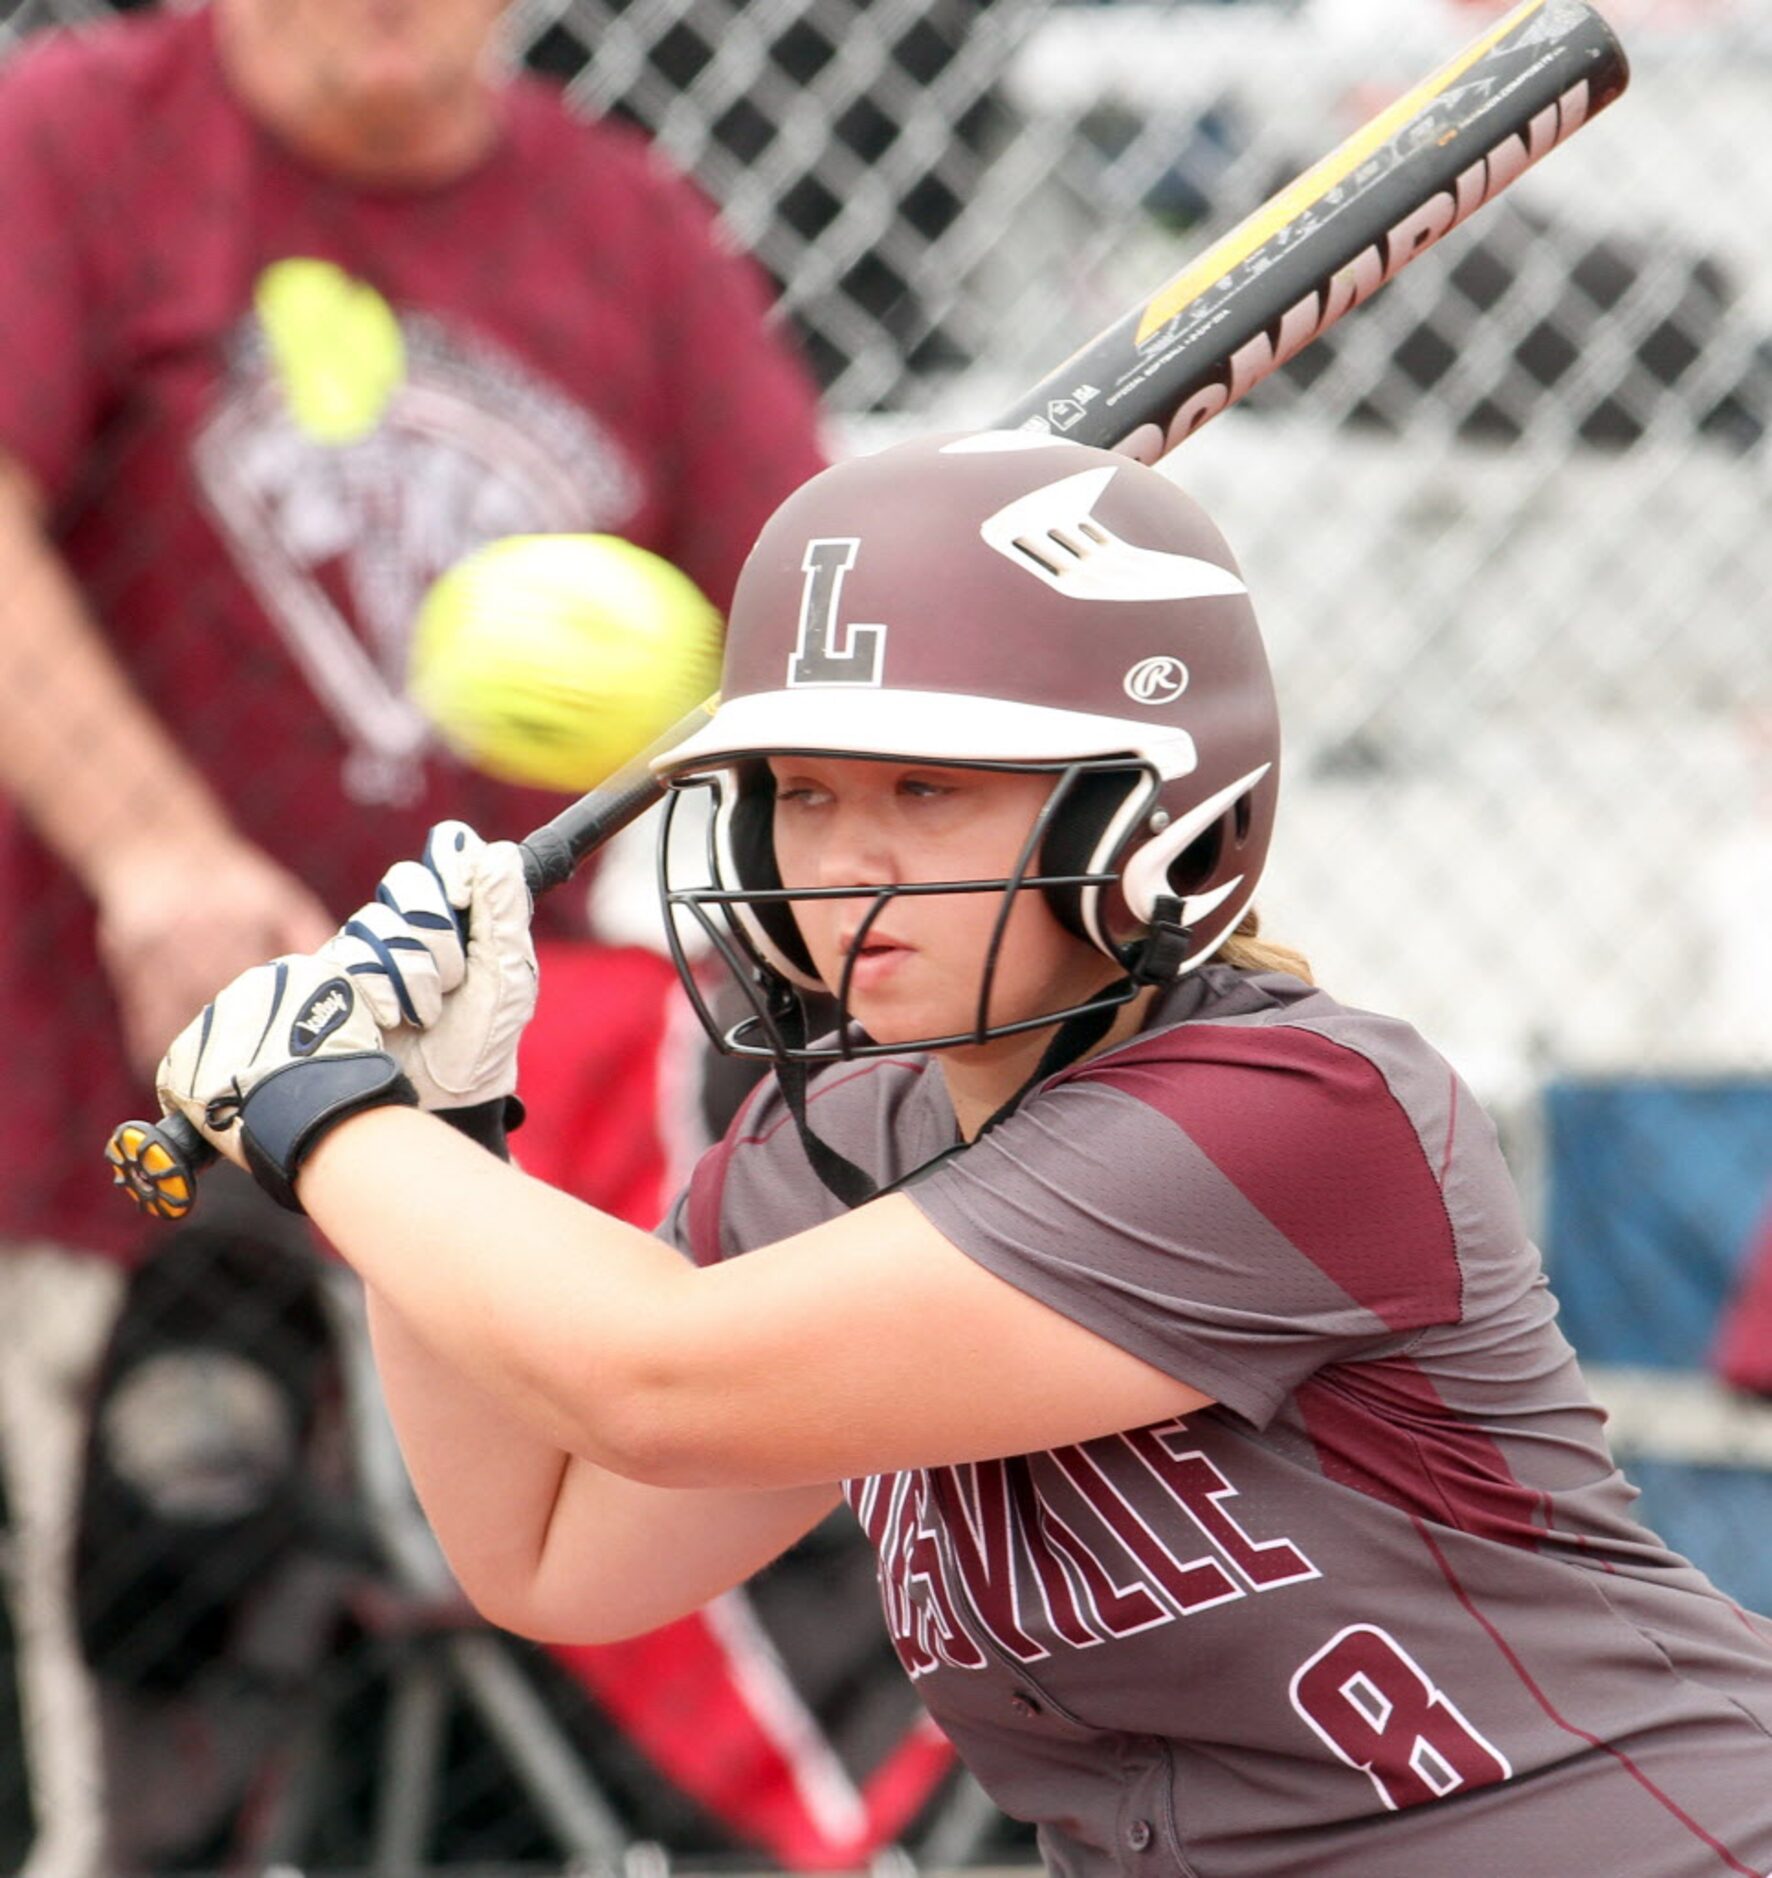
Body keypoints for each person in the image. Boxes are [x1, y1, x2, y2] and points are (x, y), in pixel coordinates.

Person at [151, 432, 1772, 1876]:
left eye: (928, 789)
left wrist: (329, 1119)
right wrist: (439, 1126)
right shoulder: (835, 1142)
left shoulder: (1292, 1115)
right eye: (799, 791)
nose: (842, 867)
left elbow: (654, 1374)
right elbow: (552, 1551)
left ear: (1162, 816)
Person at [0, 0, 824, 1868]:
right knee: (168, 1713)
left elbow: (807, 605)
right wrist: (154, 856)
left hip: (484, 1126)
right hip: (138, 1137)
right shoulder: (78, 143)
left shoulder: (625, 227)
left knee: (554, 1668)